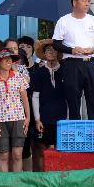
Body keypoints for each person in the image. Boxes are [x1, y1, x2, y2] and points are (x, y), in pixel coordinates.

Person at [51, 0, 94, 120]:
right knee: (73, 100)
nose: (87, 3)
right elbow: (56, 44)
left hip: (90, 63)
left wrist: (93, 49)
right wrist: (72, 50)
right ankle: (76, 131)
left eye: (89, 1)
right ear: (74, 2)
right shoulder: (63, 21)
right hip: (72, 64)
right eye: (84, 0)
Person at [0, 49, 29, 172]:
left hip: (19, 118)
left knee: (17, 154)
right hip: (0, 120)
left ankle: (15, 185)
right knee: (3, 155)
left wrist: (28, 118)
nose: (8, 61)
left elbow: (25, 98)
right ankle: (4, 186)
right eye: (5, 59)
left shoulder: (19, 77)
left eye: (10, 59)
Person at [31, 40, 66, 170]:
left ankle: (56, 176)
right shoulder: (39, 73)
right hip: (44, 117)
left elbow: (70, 97)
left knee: (59, 149)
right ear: (44, 53)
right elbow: (35, 96)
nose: (51, 52)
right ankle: (41, 177)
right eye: (48, 50)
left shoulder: (65, 71)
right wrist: (37, 119)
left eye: (53, 49)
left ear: (58, 52)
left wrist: (68, 117)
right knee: (41, 149)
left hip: (62, 116)